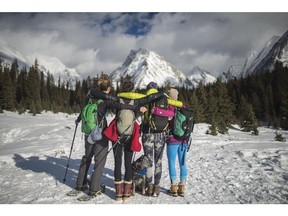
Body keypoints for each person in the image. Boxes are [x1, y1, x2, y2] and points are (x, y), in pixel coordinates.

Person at [67, 74, 147, 201]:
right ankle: (94, 188)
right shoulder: (106, 100)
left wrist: (78, 120)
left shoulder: (90, 96)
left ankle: (80, 184)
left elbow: (83, 110)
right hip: (100, 132)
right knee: (100, 160)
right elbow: (121, 106)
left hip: (88, 132)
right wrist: (136, 108)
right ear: (108, 88)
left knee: (87, 157)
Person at [104, 80, 167, 201]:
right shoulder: (137, 101)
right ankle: (127, 194)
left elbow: (106, 102)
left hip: (117, 136)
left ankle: (118, 194)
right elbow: (150, 98)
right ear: (133, 90)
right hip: (129, 136)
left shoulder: (117, 99)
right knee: (128, 164)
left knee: (117, 163)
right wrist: (162, 93)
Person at [141, 82, 174, 197]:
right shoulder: (163, 98)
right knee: (158, 161)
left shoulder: (145, 98)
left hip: (147, 134)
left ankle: (149, 186)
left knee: (148, 160)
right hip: (161, 134)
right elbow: (170, 114)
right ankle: (157, 187)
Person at [166, 88, 188, 197]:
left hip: (172, 139)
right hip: (184, 139)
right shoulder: (183, 107)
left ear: (169, 96)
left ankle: (174, 187)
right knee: (182, 162)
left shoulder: (169, 106)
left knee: (171, 162)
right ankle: (182, 187)